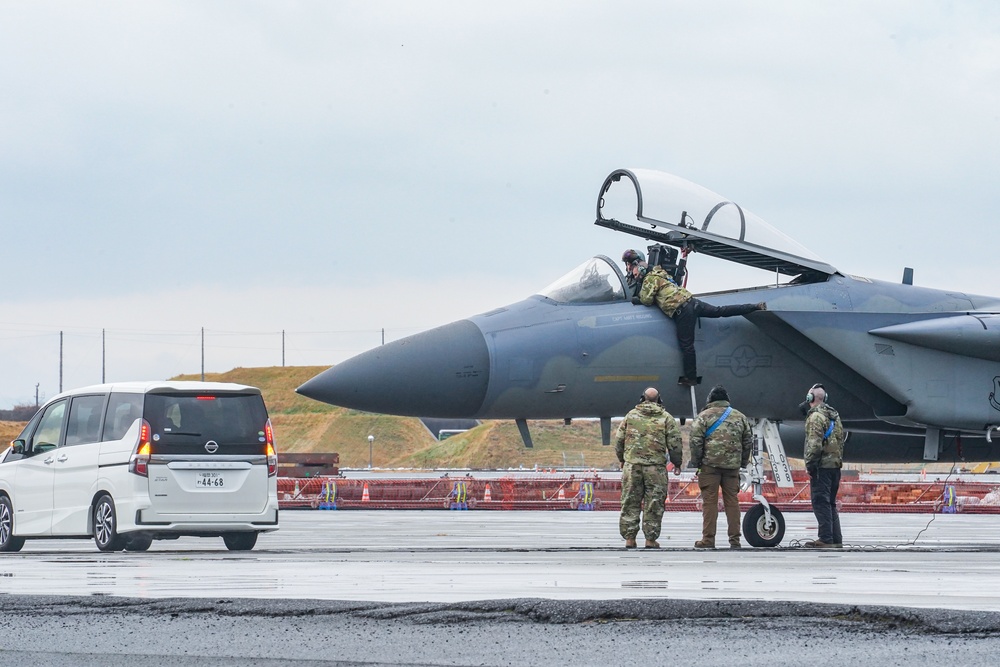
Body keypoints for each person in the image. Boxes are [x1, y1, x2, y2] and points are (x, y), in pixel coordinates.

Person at [622, 249, 766, 386]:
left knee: (686, 345)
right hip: (692, 302)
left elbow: (646, 300)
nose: (632, 273)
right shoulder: (660, 273)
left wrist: (634, 299)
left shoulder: (649, 279)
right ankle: (754, 307)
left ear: (638, 267)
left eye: (632, 269)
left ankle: (690, 378)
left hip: (682, 311)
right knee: (720, 311)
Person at [614, 387, 683, 549]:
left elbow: (619, 441)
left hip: (632, 466)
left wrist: (622, 459)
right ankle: (650, 540)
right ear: (659, 400)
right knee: (654, 503)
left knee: (630, 501)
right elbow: (675, 444)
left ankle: (630, 538)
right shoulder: (666, 418)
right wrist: (677, 463)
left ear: (641, 399)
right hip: (655, 468)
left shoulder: (630, 416)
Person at [689, 384, 753, 549]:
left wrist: (697, 462)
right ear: (727, 400)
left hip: (709, 466)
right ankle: (735, 540)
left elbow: (695, 441)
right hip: (732, 467)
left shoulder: (703, 416)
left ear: (710, 400)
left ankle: (708, 539)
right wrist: (742, 462)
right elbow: (747, 442)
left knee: (709, 502)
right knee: (732, 501)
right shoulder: (740, 417)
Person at [802, 383, 845, 548]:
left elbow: (814, 444)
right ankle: (836, 538)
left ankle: (825, 538)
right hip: (835, 466)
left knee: (820, 502)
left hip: (822, 467)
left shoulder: (815, 417)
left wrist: (810, 465)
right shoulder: (835, 416)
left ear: (810, 398)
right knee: (831, 503)